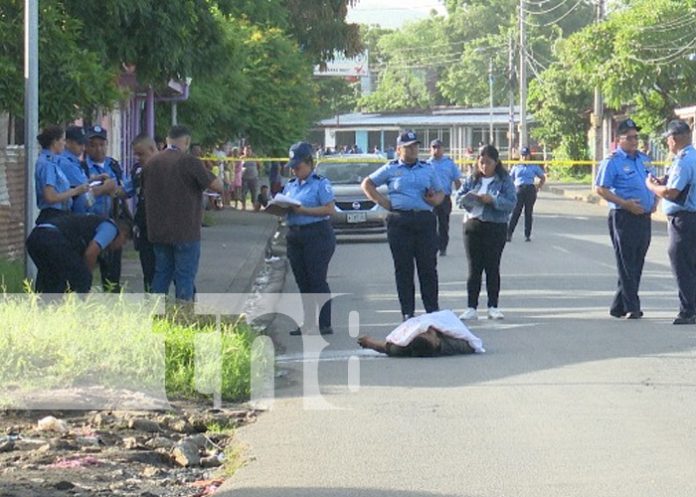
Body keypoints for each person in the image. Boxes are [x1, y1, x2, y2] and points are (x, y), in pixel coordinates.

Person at [361, 130, 445, 321]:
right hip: (401, 221)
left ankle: (432, 310)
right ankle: (408, 312)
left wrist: (434, 200)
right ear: (399, 149)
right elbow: (367, 184)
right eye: (409, 147)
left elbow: (441, 193)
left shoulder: (427, 168)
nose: (414, 150)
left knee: (428, 267)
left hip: (424, 220)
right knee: (404, 268)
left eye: (415, 145)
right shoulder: (391, 168)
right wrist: (385, 203)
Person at [144, 125, 224, 302]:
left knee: (161, 274)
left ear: (167, 140)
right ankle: (184, 319)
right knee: (184, 277)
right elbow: (217, 186)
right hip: (185, 230)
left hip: (158, 230)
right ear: (186, 141)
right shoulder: (189, 162)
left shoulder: (151, 162)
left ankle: (154, 316)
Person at [594, 119, 656, 320]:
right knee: (626, 262)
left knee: (637, 261)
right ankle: (633, 306)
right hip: (624, 217)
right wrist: (625, 203)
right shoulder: (612, 161)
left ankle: (618, 306)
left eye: (636, 137)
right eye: (629, 138)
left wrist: (655, 200)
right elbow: (600, 188)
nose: (634, 141)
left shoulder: (644, 159)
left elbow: (653, 181)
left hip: (644, 217)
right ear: (618, 139)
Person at [274, 142, 336, 335]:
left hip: (317, 234)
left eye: (298, 167)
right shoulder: (291, 186)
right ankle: (308, 323)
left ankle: (324, 323)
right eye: (292, 167)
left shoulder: (320, 183)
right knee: (303, 281)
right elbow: (283, 205)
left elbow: (329, 209)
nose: (294, 171)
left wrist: (304, 210)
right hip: (295, 235)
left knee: (316, 279)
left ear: (309, 163)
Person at [457, 145, 516, 321]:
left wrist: (493, 200)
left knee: (492, 266)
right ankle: (471, 307)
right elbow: (458, 198)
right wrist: (470, 198)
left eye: (488, 163)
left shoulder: (504, 180)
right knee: (474, 268)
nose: (484, 166)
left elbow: (511, 203)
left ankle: (493, 306)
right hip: (473, 226)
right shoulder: (472, 179)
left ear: (496, 163)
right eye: (481, 162)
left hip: (495, 226)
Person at [646, 119, 696, 325]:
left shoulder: (683, 161)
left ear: (673, 139)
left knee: (682, 265)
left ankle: (688, 310)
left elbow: (672, 192)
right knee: (692, 264)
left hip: (683, 219)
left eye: (667, 139)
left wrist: (651, 186)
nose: (667, 143)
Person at [26, 214, 132, 294]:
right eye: (123, 242)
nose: (121, 246)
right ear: (123, 233)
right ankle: (80, 312)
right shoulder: (111, 228)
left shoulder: (91, 222)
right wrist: (87, 275)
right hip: (53, 237)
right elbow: (90, 253)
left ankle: (44, 310)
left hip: (35, 238)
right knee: (82, 277)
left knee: (52, 277)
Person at [82, 125, 127, 292]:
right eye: (93, 145)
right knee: (86, 269)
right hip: (89, 225)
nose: (98, 149)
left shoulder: (113, 166)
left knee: (112, 275)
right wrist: (102, 189)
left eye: (101, 144)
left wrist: (114, 190)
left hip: (111, 223)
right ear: (86, 147)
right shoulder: (82, 168)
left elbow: (123, 191)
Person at [357, 310, 483, 357]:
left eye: (424, 332)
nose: (427, 329)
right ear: (436, 342)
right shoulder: (453, 343)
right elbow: (472, 344)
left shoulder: (402, 346)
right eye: (427, 333)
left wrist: (368, 342)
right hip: (442, 320)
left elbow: (386, 346)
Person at [34, 125, 89, 224]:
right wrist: (75, 191)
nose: (64, 144)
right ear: (55, 142)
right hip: (53, 215)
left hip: (61, 214)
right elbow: (50, 197)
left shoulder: (54, 161)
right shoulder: (47, 163)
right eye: (63, 140)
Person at [131, 134, 159, 292]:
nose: (138, 158)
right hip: (145, 229)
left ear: (152, 149)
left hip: (163, 229)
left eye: (141, 154)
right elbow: (129, 189)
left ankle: (183, 310)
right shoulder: (138, 171)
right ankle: (154, 309)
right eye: (136, 154)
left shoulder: (166, 169)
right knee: (148, 272)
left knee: (174, 273)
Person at [428, 139, 462, 256]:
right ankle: (432, 246)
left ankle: (443, 247)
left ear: (443, 149)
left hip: (445, 198)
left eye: (439, 147)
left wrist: (461, 196)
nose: (436, 150)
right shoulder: (427, 164)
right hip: (431, 198)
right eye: (434, 147)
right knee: (430, 223)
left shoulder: (449, 163)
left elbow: (457, 180)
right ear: (430, 149)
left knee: (444, 224)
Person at [507, 146, 546, 242]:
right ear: (520, 156)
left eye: (526, 155)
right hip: (519, 189)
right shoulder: (516, 166)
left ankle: (527, 235)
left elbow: (542, 177)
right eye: (523, 155)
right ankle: (509, 234)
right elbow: (510, 179)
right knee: (516, 212)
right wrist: (510, 190)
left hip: (530, 189)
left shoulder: (533, 166)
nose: (524, 157)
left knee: (528, 212)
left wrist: (538, 187)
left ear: (529, 156)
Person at [240, 145, 259, 210]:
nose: (247, 152)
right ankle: (243, 206)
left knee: (254, 193)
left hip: (254, 178)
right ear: (244, 151)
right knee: (243, 193)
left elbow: (259, 166)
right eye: (246, 150)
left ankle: (254, 206)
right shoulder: (241, 158)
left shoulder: (254, 158)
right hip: (244, 178)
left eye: (249, 150)